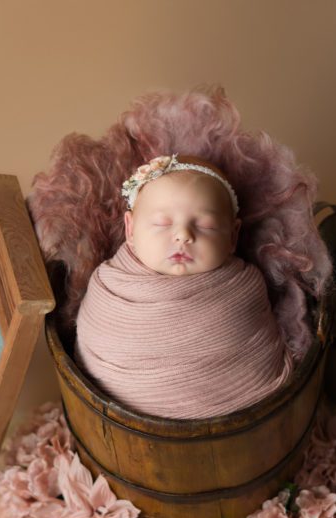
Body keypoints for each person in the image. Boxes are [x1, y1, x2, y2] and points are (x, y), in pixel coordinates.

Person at [74, 154, 293, 420]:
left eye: (205, 225)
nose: (183, 235)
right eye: (161, 223)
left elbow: (260, 353)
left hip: (245, 424)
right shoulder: (108, 285)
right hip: (120, 424)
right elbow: (94, 345)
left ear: (233, 236)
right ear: (130, 229)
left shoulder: (243, 287)